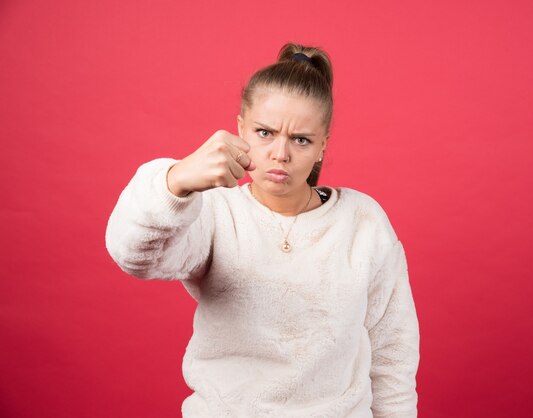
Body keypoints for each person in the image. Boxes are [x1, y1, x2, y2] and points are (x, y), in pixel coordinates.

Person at [105, 42, 420, 418]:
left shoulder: (363, 222)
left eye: (300, 139)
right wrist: (175, 182)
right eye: (265, 133)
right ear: (241, 128)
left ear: (322, 145)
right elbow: (135, 255)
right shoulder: (215, 213)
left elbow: (392, 352)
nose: (280, 154)